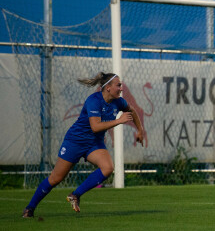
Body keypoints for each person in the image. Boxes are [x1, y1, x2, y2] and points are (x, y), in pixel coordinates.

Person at [22, 72, 144, 217]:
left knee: (107, 168)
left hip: (94, 143)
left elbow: (132, 111)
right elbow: (95, 127)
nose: (121, 88)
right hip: (75, 141)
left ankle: (75, 194)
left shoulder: (119, 102)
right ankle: (29, 208)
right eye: (118, 85)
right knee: (56, 178)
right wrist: (119, 121)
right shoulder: (94, 100)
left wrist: (140, 130)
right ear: (108, 88)